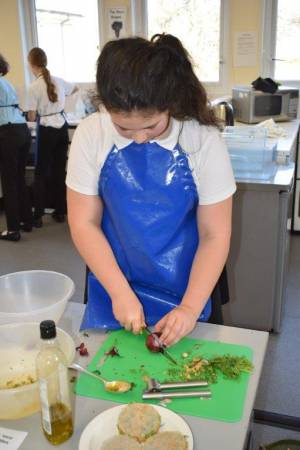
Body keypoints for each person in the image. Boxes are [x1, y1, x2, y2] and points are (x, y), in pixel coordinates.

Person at [66, 34, 236, 346]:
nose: (140, 138)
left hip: (189, 282)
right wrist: (119, 292)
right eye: (124, 128)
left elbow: (215, 234)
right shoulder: (91, 134)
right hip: (114, 276)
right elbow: (83, 222)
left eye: (152, 126)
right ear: (104, 106)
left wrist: (188, 307)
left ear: (169, 105)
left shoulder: (202, 139)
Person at [27, 47, 77, 228]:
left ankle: (38, 215)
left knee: (40, 173)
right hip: (61, 127)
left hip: (46, 130)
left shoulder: (33, 87)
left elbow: (32, 116)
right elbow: (75, 88)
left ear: (32, 64)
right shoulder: (59, 81)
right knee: (59, 171)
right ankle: (60, 212)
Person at [0, 53, 32, 242]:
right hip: (21, 131)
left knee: (9, 182)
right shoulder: (7, 83)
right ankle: (26, 221)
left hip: (7, 133)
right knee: (19, 178)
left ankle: (13, 230)